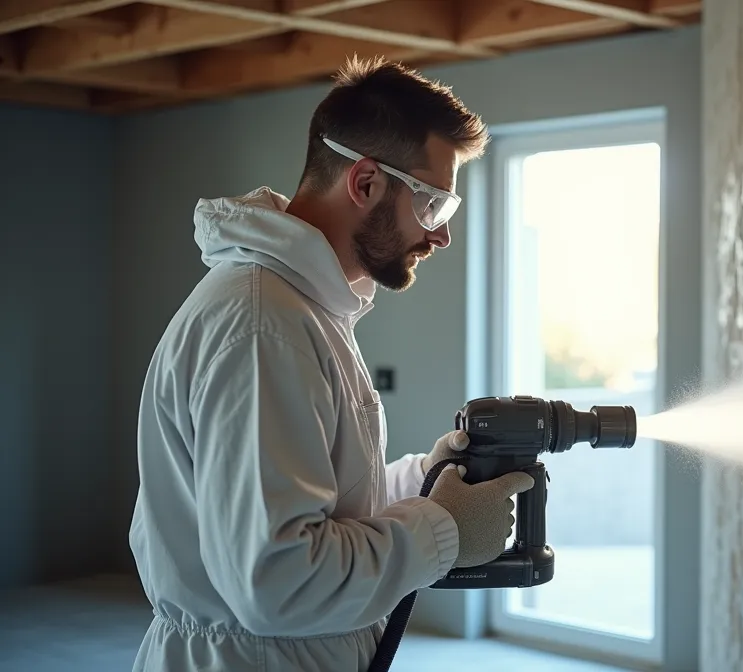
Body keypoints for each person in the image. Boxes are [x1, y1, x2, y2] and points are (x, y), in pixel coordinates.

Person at [128, 56, 534, 671]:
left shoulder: (303, 309)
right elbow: (278, 581)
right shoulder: (265, 324)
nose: (442, 235)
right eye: (434, 206)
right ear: (366, 181)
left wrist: (428, 478)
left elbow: (324, 506)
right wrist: (443, 530)